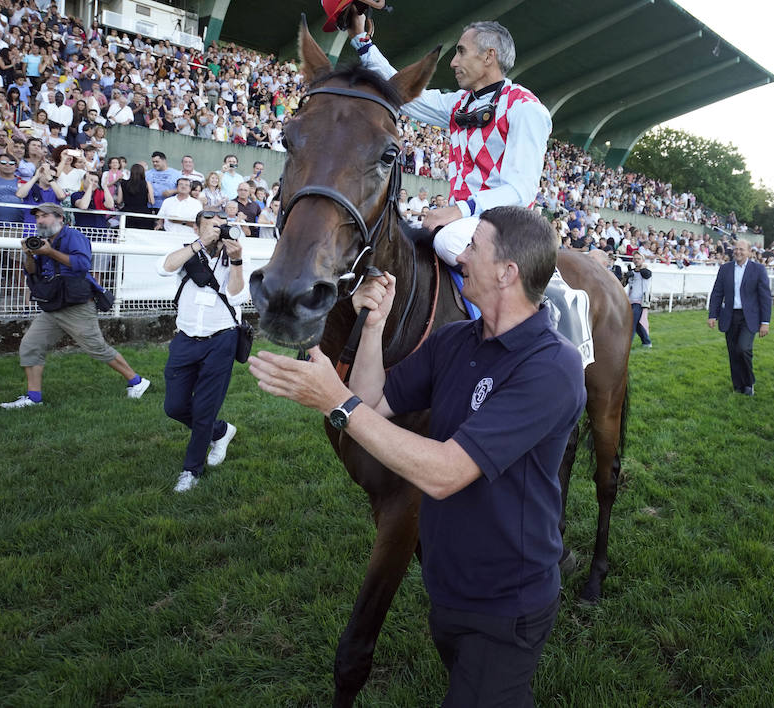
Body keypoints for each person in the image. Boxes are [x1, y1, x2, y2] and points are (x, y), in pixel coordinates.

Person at [249, 206, 584, 704]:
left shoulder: (552, 366)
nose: (460, 254)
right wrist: (372, 327)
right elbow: (375, 405)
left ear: (507, 272)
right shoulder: (455, 340)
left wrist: (334, 401)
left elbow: (447, 473)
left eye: (473, 246)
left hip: (504, 603)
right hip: (449, 590)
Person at [348, 5, 551, 267]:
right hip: (466, 221)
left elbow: (521, 191)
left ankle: (520, 302)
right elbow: (403, 91)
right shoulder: (459, 103)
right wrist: (361, 42)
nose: (453, 62)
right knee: (390, 236)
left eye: (461, 52)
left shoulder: (525, 108)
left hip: (508, 226)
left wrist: (459, 209)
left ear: (489, 56)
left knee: (447, 241)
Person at [1, 203, 151, 409]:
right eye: (37, 217)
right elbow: (31, 272)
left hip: (76, 305)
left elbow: (82, 265)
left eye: (45, 216)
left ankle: (137, 381)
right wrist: (29, 253)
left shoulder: (73, 237)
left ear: (60, 218)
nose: (40, 220)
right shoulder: (41, 242)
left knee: (96, 348)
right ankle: (34, 399)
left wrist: (50, 252)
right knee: (30, 345)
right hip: (54, 305)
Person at [158, 210, 248, 493]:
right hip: (185, 338)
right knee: (173, 406)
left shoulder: (235, 253)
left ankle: (191, 470)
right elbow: (165, 267)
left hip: (222, 340)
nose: (216, 232)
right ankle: (220, 432)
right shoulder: (189, 253)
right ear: (197, 229)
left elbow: (237, 295)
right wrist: (198, 245)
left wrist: (236, 261)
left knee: (204, 408)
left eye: (221, 227)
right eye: (210, 227)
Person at [707, 241, 773, 395]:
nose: (738, 252)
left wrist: (765, 322)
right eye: (736, 249)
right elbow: (717, 292)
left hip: (749, 317)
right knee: (733, 352)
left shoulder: (758, 269)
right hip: (729, 315)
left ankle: (749, 383)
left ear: (750, 252)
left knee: (743, 349)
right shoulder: (725, 269)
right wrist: (712, 315)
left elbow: (765, 297)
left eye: (741, 249)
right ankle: (738, 385)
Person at [625, 251, 653, 349]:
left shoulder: (646, 271)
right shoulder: (632, 272)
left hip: (640, 301)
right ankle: (646, 342)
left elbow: (645, 274)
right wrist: (626, 276)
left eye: (638, 259)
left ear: (642, 260)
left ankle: (627, 344)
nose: (636, 260)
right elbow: (624, 284)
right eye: (635, 258)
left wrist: (640, 267)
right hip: (630, 300)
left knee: (631, 322)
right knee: (636, 324)